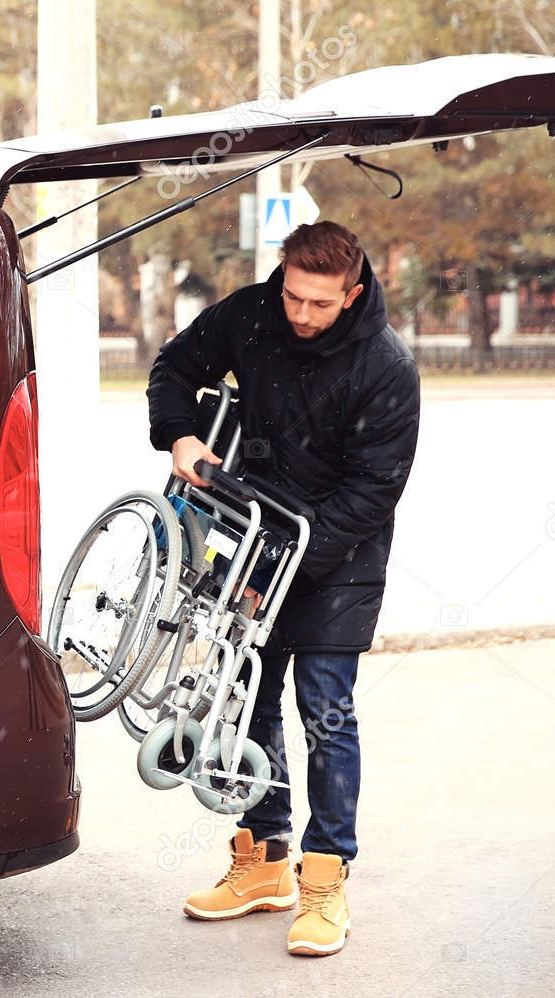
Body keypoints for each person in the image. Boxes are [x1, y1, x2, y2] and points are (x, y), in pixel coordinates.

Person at [145, 221, 420, 956]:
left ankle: (325, 880)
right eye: (293, 295)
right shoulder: (252, 315)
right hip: (258, 537)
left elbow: (371, 494)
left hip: (340, 554)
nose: (301, 314)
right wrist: (178, 434)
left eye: (320, 304)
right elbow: (174, 364)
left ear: (352, 293)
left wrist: (286, 573)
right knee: (249, 697)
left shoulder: (387, 367)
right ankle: (264, 860)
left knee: (324, 708)